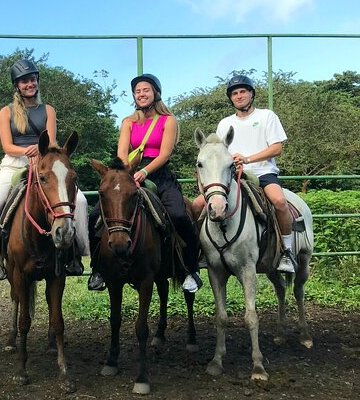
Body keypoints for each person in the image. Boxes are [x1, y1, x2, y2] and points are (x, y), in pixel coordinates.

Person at [87, 73, 202, 293]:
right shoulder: (128, 122)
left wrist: (145, 172)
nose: (141, 94)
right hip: (130, 172)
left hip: (158, 173)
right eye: (137, 91)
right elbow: (122, 153)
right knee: (95, 216)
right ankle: (98, 269)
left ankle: (190, 269)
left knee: (179, 215)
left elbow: (165, 154)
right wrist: (127, 173)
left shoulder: (168, 120)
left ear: (155, 93)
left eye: (145, 90)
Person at [0, 59, 90, 281]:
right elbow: (7, 146)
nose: (29, 84)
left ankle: (76, 254)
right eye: (24, 81)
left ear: (37, 81)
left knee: (80, 202)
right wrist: (27, 152)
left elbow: (50, 142)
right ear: (17, 85)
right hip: (14, 164)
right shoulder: (6, 112)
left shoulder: (48, 109)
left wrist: (40, 156)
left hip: (45, 163)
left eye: (32, 79)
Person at [192, 75, 296, 273]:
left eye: (242, 92)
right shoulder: (224, 123)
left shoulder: (266, 116)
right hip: (231, 177)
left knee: (280, 202)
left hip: (263, 172)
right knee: (197, 205)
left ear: (251, 94)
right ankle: (202, 252)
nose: (239, 96)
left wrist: (247, 159)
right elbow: (218, 154)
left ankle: (287, 252)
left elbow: (276, 148)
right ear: (230, 98)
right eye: (234, 93)